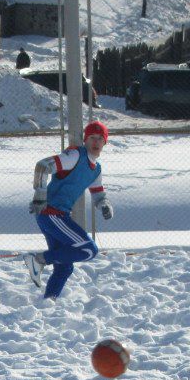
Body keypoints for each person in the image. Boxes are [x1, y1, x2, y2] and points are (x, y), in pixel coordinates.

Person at [24, 121, 114, 300]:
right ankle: (38, 260)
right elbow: (42, 166)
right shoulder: (75, 155)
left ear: (105, 142)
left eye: (100, 138)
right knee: (89, 250)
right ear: (85, 140)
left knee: (65, 267)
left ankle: (48, 302)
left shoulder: (96, 169)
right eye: (92, 138)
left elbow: (98, 194)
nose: (96, 142)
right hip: (51, 213)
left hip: (56, 215)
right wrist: (40, 194)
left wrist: (105, 205)